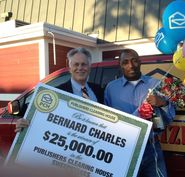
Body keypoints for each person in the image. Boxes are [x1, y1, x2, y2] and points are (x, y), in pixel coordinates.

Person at [104, 49, 175, 177]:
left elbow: (169, 118)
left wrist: (162, 103)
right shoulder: (111, 88)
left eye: (134, 61)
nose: (131, 65)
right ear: (120, 65)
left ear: (140, 62)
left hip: (151, 148)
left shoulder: (155, 84)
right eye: (125, 62)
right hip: (123, 149)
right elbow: (107, 120)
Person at [15, 47, 104, 132]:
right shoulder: (57, 93)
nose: (80, 68)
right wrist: (24, 122)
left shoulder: (98, 90)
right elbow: (41, 117)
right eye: (76, 64)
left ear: (89, 67)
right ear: (70, 68)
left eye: (84, 64)